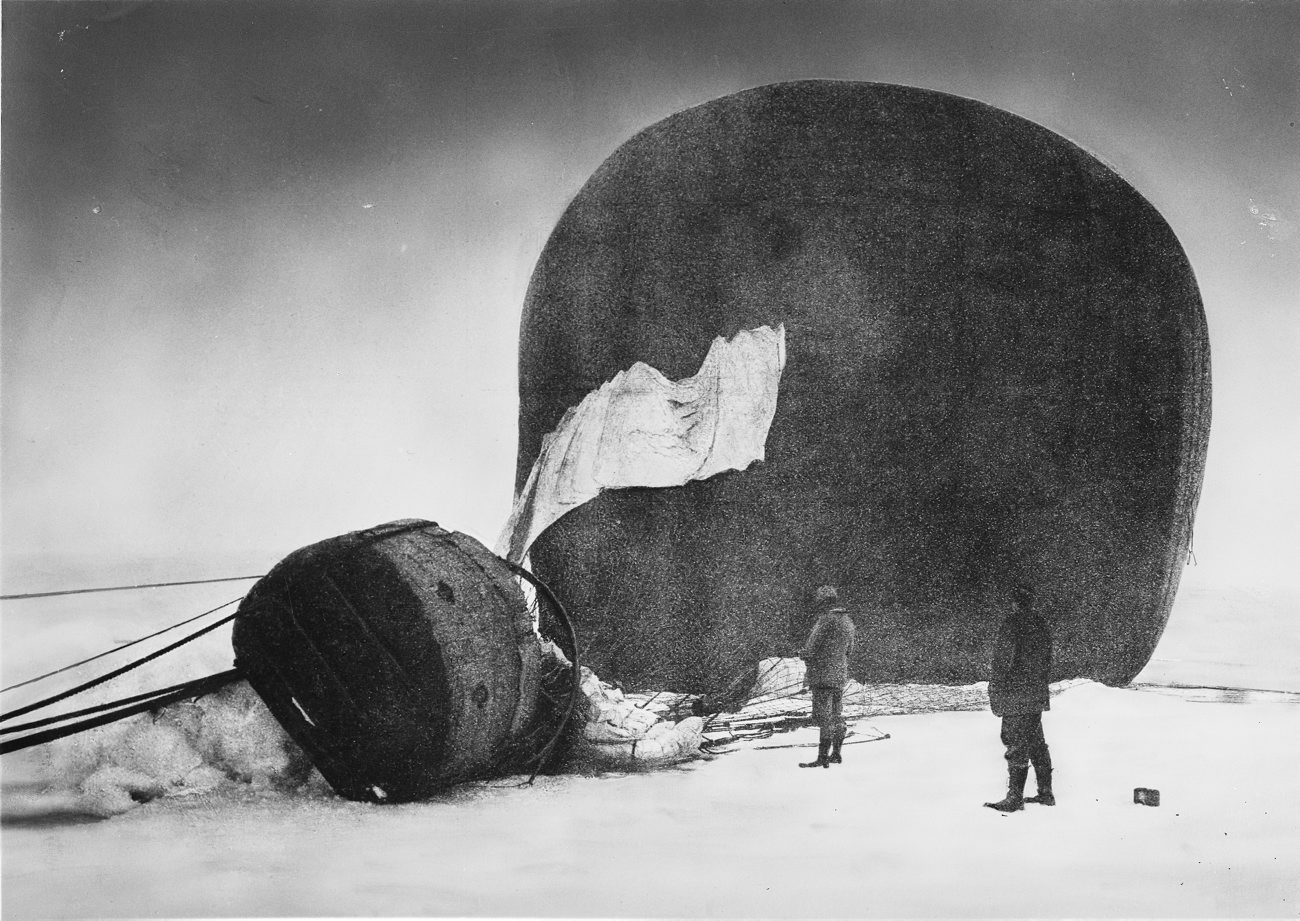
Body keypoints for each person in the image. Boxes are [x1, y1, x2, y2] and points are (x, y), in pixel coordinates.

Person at [984, 585, 1055, 811]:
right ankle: (1046, 793)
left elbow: (1003, 661)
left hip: (1016, 695)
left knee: (1016, 743)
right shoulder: (1041, 624)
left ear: (1014, 602)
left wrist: (996, 688)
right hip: (1035, 694)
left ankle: (1015, 798)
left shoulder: (1012, 624)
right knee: (1036, 744)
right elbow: (1047, 660)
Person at [798, 585, 856, 769]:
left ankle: (822, 757)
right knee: (836, 714)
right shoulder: (848, 622)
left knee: (824, 717)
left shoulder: (825, 621)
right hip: (839, 675)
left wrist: (803, 653)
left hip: (822, 674)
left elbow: (811, 648)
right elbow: (849, 650)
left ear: (822, 602)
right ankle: (836, 753)